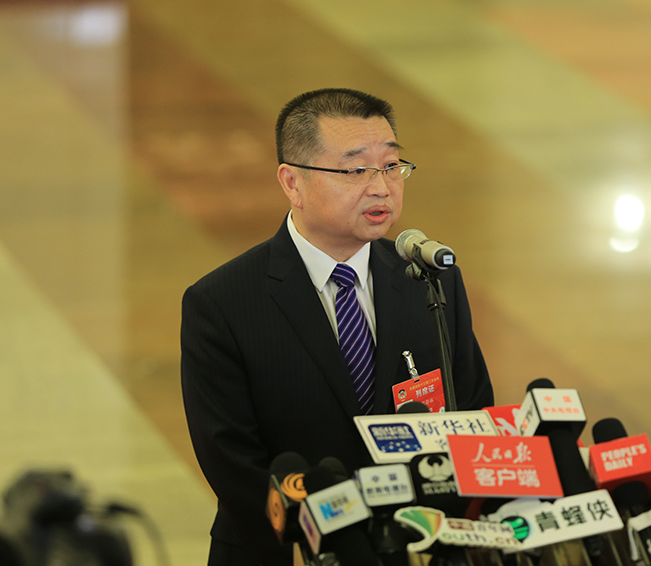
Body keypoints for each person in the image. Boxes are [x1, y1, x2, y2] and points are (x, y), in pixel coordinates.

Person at [180, 88, 494, 565]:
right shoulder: (222, 303)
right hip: (287, 552)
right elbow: (233, 463)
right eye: (355, 170)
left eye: (391, 166)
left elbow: (471, 410)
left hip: (418, 547)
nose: (381, 187)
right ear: (292, 183)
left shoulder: (429, 280)